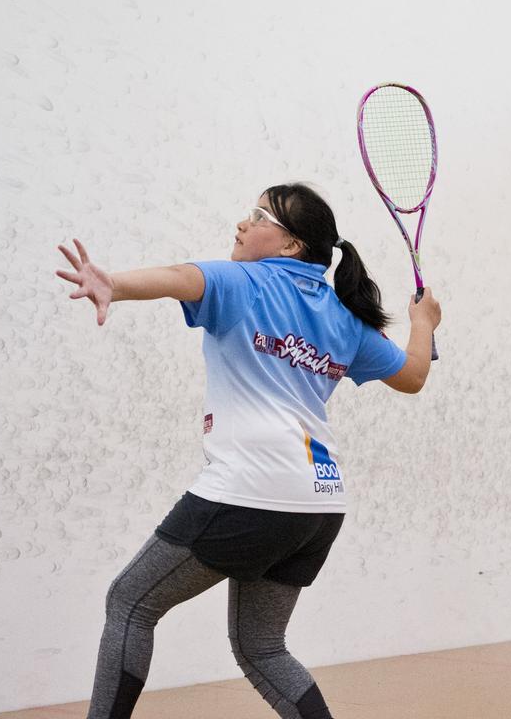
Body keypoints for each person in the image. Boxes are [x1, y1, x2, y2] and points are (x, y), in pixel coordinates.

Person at [55, 183, 442, 719]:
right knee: (262, 647)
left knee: (130, 602)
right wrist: (422, 324)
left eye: (259, 215)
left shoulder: (245, 282)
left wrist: (113, 284)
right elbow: (414, 374)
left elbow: (179, 278)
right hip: (318, 506)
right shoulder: (344, 319)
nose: (242, 222)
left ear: (291, 246)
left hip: (249, 492)